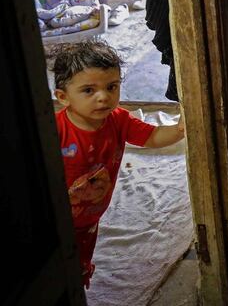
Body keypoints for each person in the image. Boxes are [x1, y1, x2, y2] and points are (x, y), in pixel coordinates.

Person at [51, 40, 185, 288]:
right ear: (63, 97)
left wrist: (178, 130)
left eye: (111, 87)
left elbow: (152, 137)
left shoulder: (118, 120)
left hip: (90, 217)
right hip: (55, 219)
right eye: (89, 91)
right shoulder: (55, 129)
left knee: (80, 262)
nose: (104, 97)